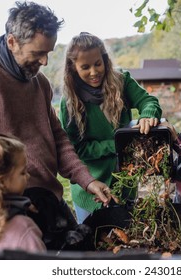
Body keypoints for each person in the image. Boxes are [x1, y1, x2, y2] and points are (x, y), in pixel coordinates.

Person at [0, 1, 112, 247]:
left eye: (48, 53)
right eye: (37, 53)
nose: (44, 62)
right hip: (11, 212)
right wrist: (0, 200)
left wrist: (87, 179)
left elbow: (58, 137)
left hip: (49, 200)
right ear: (12, 42)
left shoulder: (40, 84)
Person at [59, 32, 162, 223]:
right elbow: (75, 149)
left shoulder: (121, 81)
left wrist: (148, 115)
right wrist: (116, 144)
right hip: (90, 188)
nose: (94, 72)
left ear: (105, 60)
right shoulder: (69, 104)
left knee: (125, 239)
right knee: (94, 243)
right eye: (85, 67)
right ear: (73, 68)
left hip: (124, 182)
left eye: (98, 63)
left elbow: (148, 101)